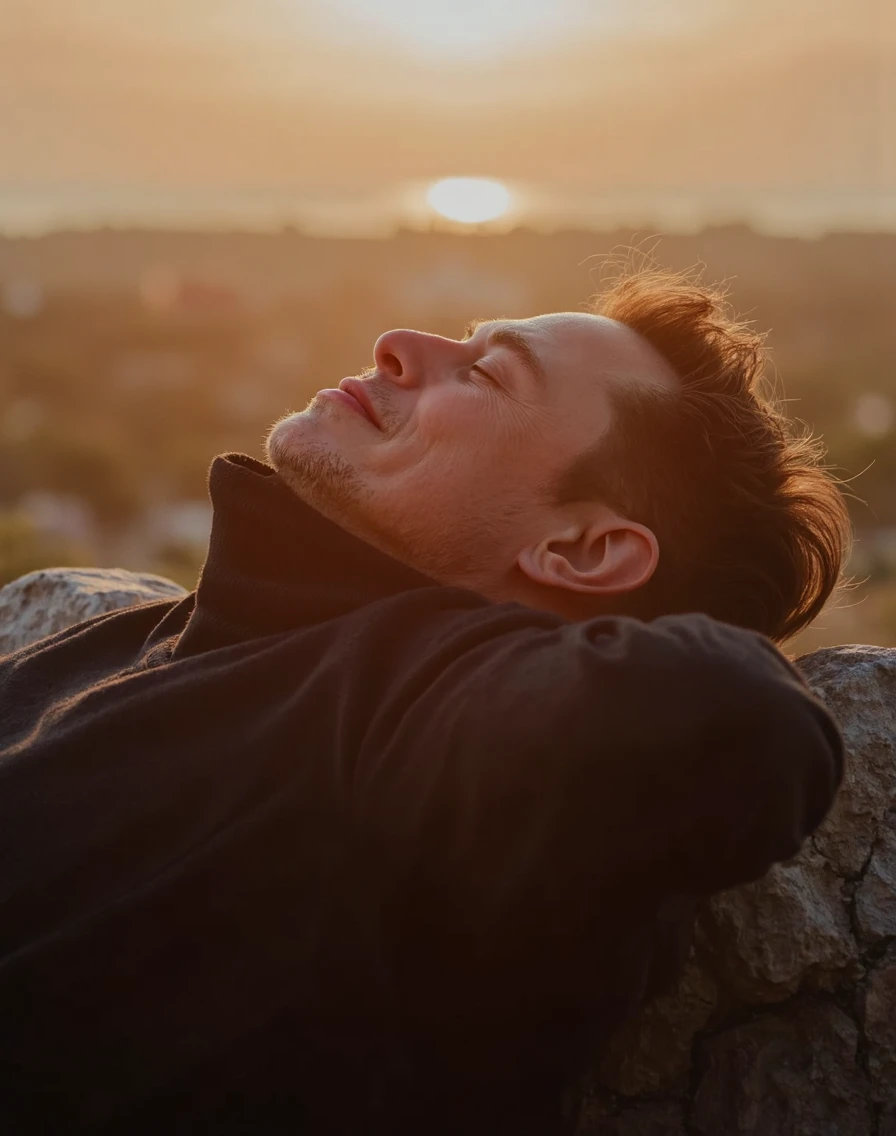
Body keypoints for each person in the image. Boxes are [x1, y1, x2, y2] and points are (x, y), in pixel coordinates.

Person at [0, 265, 849, 1134]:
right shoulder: (131, 643)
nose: (400, 346)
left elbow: (735, 719)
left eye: (485, 373)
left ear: (585, 548)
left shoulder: (420, 711)